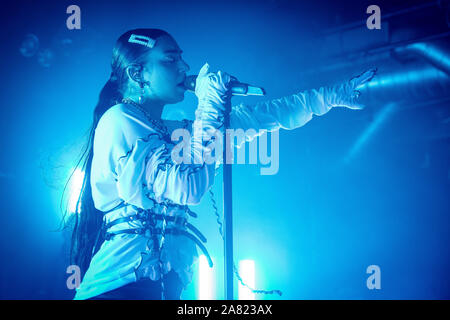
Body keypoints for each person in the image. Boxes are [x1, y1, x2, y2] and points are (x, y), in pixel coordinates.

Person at [67, 28, 375, 300]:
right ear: (137, 74)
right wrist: (210, 103)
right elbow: (189, 187)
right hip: (117, 291)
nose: (184, 68)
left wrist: (330, 96)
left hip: (160, 290)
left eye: (181, 59)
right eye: (170, 60)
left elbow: (256, 117)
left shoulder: (167, 130)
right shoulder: (119, 120)